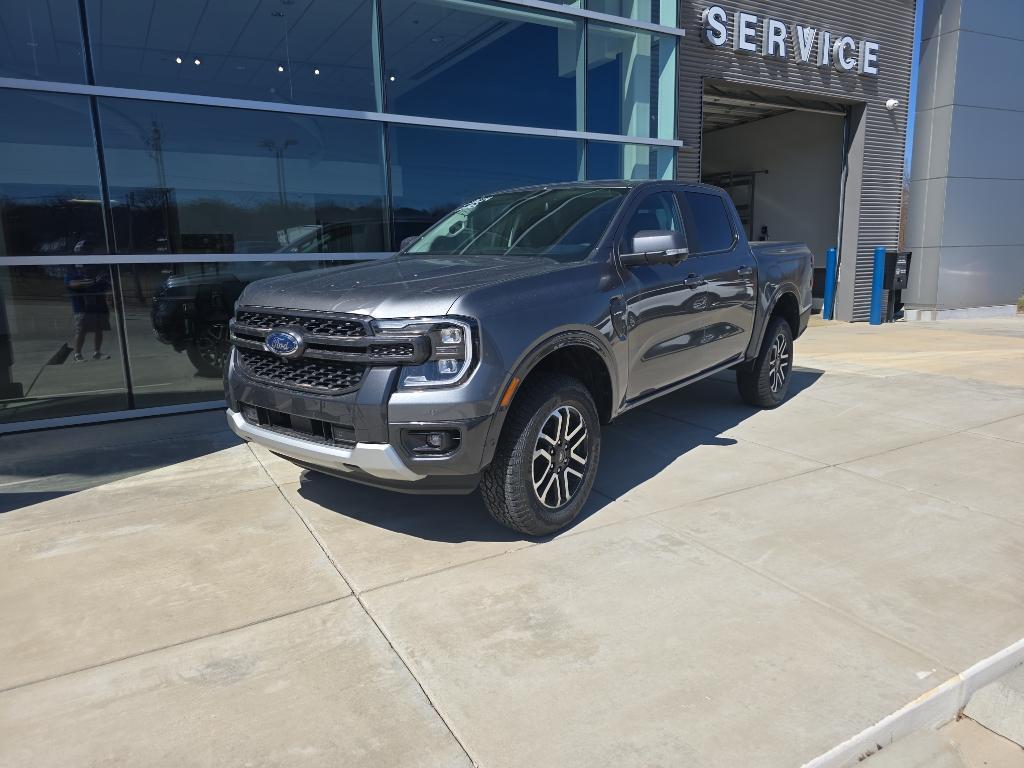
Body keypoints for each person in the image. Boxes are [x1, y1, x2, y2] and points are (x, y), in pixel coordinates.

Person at [64, 257, 112, 363]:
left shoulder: (97, 273)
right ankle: (77, 354)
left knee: (99, 329)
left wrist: (108, 292)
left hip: (99, 306)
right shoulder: (73, 274)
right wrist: (93, 281)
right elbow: (72, 284)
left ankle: (97, 352)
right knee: (81, 331)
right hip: (82, 308)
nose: (86, 268)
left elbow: (106, 286)